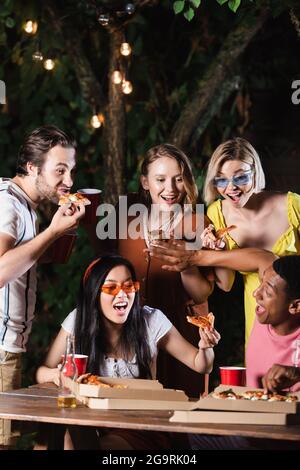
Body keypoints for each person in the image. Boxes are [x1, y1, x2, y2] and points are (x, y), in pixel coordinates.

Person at [36, 255, 220, 450]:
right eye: (111, 288)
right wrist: (57, 374)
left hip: (138, 425)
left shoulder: (151, 320)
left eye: (128, 286)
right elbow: (41, 371)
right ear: (94, 292)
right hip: (89, 419)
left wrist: (205, 347)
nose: (122, 295)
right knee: (58, 440)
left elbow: (202, 364)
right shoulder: (78, 320)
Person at [100, 144, 214, 397]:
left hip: (183, 337)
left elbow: (201, 295)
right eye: (160, 180)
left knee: (181, 413)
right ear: (145, 182)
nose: (170, 189)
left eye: (178, 180)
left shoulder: (198, 222)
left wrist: (185, 264)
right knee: (134, 415)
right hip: (132, 335)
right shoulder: (126, 215)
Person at [0, 125, 85, 448]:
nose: (69, 182)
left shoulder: (24, 206)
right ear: (33, 167)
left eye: (71, 171)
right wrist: (51, 233)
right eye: (59, 170)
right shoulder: (8, 204)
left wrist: (50, 243)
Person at [202, 137, 300, 346]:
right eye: (221, 180)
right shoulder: (217, 214)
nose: (231, 189)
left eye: (240, 178)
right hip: (259, 323)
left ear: (255, 172)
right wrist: (218, 252)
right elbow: (226, 284)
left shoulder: (293, 205)